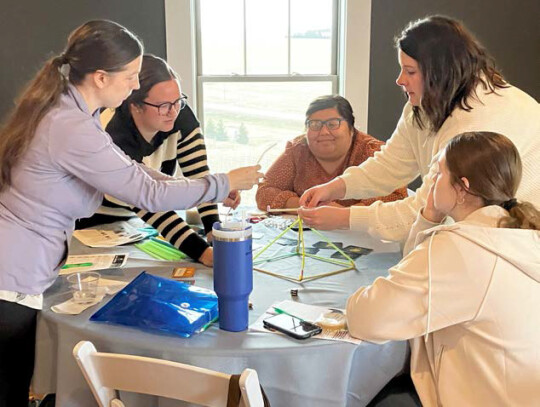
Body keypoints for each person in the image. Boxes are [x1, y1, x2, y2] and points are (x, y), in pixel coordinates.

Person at [0, 20, 262, 406]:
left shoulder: (73, 111)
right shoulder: (70, 124)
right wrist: (224, 181)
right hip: (12, 277)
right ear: (102, 77)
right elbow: (146, 193)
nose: (135, 85)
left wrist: (214, 186)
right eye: (131, 76)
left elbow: (132, 170)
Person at [298, 16, 540, 241]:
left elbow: (426, 210)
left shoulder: (474, 129)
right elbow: (390, 165)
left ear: (440, 72)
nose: (400, 80)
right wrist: (335, 188)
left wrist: (344, 218)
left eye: (410, 71)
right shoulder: (427, 102)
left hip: (516, 237)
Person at [346, 132, 540, 406]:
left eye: (438, 173)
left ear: (462, 188)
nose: (432, 182)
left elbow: (366, 318)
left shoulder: (461, 248)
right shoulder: (520, 234)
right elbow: (417, 267)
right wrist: (430, 217)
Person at [76, 54, 231, 266]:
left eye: (178, 101)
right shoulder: (114, 139)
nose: (173, 112)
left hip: (133, 227)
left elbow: (200, 177)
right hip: (91, 226)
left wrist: (215, 230)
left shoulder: (180, 115)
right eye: (163, 105)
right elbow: (152, 204)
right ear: (135, 105)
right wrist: (203, 252)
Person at [255, 95, 407, 211]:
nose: (323, 132)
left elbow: (397, 196)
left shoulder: (372, 152)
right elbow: (264, 191)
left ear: (351, 128)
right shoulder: (298, 149)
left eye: (333, 124)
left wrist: (345, 214)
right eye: (314, 124)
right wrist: (307, 205)